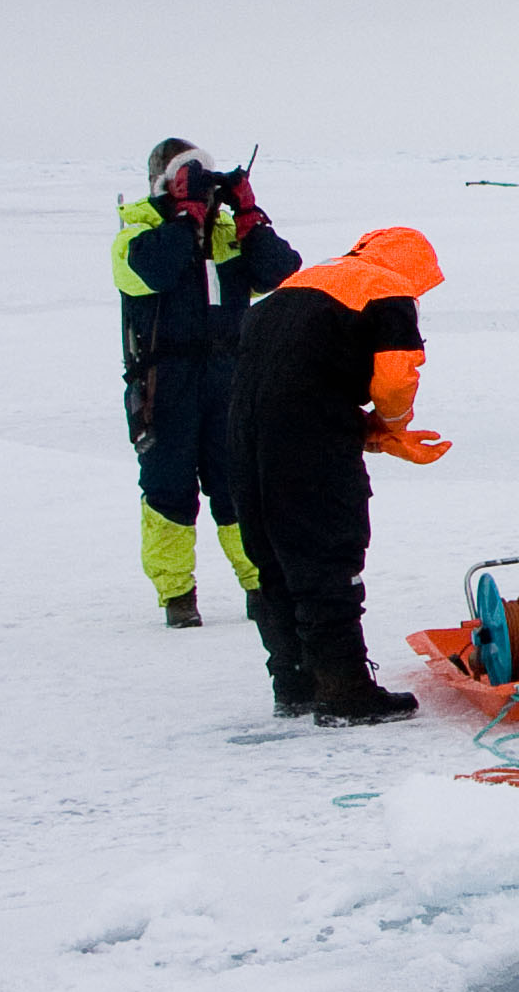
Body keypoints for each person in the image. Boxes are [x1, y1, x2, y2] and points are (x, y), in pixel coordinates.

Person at [229, 226, 450, 724]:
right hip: (310, 445)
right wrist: (392, 427)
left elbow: (298, 376)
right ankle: (344, 691)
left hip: (244, 436)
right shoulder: (387, 288)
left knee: (276, 560)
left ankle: (294, 682)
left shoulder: (295, 286)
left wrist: (363, 431)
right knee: (326, 554)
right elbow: (395, 375)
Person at [114, 140, 300, 627]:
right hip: (164, 381)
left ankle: (260, 585)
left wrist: (248, 214)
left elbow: (280, 272)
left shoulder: (224, 233)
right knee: (167, 491)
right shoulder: (137, 231)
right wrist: (181, 220)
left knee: (239, 485)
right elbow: (150, 272)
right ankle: (178, 595)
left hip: (228, 377)